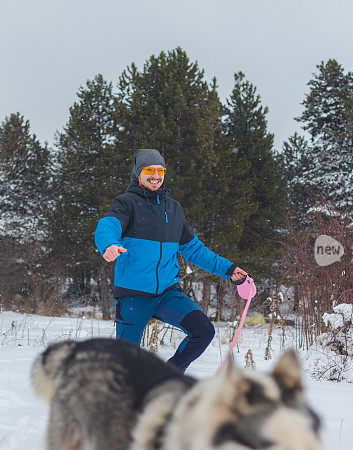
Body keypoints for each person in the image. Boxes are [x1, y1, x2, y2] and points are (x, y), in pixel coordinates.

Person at [94, 149, 248, 372]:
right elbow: (109, 224)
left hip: (167, 294)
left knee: (203, 331)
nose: (156, 175)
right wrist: (108, 244)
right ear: (138, 174)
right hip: (133, 295)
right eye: (149, 170)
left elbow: (195, 250)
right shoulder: (127, 203)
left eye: (160, 170)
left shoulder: (173, 209)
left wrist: (229, 269)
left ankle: (169, 376)